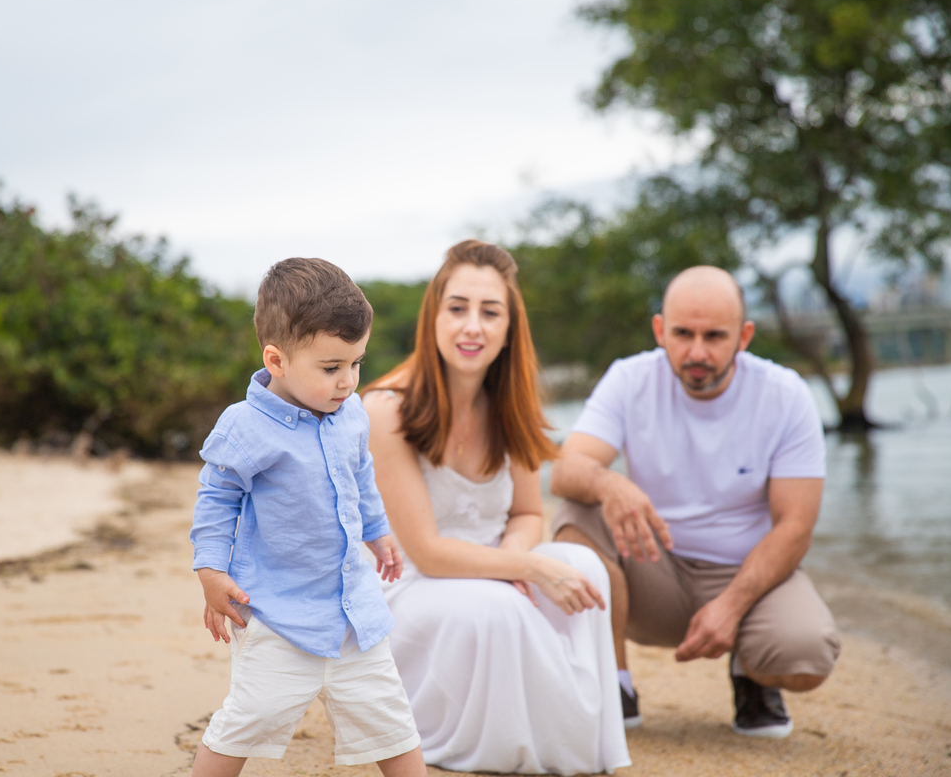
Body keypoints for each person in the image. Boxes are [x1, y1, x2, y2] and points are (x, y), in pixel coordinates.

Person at [363, 240, 632, 775]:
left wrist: (514, 561)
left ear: (510, 327)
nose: (473, 327)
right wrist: (525, 568)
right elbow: (428, 552)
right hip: (410, 587)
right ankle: (510, 745)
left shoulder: (513, 405)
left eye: (491, 312)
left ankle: (577, 738)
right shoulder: (386, 410)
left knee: (584, 569)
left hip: (492, 568)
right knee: (505, 604)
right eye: (458, 308)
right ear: (433, 316)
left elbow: (529, 515)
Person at [550, 265, 842, 739]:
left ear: (744, 336)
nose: (697, 352)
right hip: (653, 569)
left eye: (715, 336)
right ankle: (615, 685)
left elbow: (796, 527)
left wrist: (731, 606)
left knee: (806, 655)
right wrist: (611, 484)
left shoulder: (786, 395)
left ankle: (750, 674)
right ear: (660, 330)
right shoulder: (629, 379)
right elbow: (565, 470)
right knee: (578, 509)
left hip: (745, 573)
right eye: (683, 334)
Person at [188, 258, 426, 777]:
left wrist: (380, 531)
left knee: (391, 722)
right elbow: (216, 500)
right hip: (278, 614)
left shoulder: (352, 414)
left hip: (354, 613)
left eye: (356, 363)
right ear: (276, 359)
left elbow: (361, 475)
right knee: (248, 719)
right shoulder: (246, 426)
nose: (347, 381)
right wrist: (210, 571)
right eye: (330, 367)